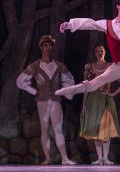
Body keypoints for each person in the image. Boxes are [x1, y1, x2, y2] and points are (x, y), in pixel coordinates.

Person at [16, 35, 76, 165]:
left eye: (50, 46)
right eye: (45, 46)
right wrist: (34, 91)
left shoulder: (59, 65)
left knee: (57, 128)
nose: (48, 48)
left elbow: (69, 80)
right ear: (41, 48)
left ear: (52, 47)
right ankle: (48, 158)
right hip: (41, 101)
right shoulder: (34, 65)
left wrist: (65, 91)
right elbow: (20, 82)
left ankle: (65, 158)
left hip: (55, 100)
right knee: (44, 128)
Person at [80, 44, 120, 165]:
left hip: (105, 99)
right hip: (92, 100)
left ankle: (106, 158)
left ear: (105, 52)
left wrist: (113, 93)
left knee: (105, 128)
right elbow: (86, 86)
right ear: (94, 53)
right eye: (97, 51)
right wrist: (84, 104)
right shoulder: (89, 67)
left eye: (101, 50)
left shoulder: (111, 66)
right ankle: (99, 158)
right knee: (96, 129)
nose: (99, 52)